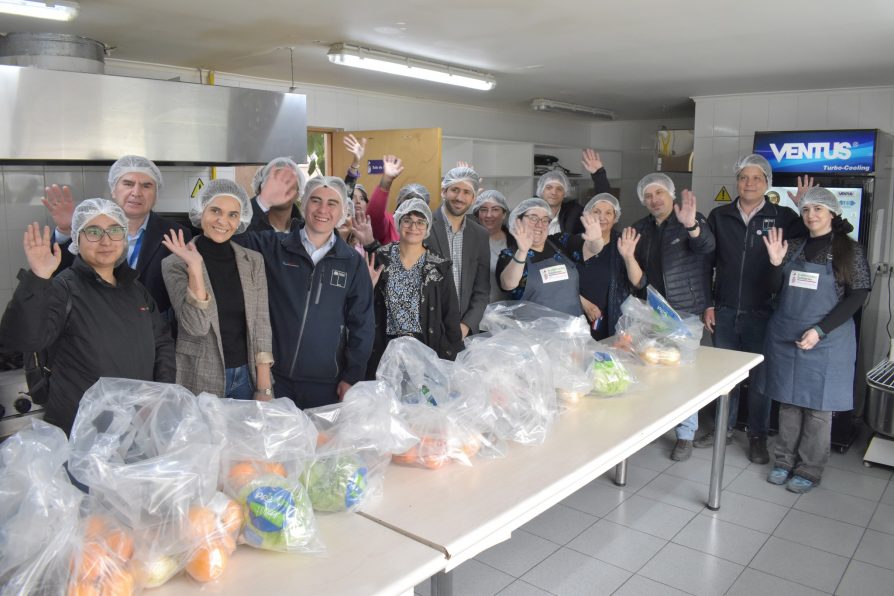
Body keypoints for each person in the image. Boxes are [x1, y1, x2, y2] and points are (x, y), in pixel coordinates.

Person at [0, 199, 175, 436]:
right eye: (93, 232)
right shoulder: (62, 289)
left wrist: (159, 395)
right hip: (83, 430)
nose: (105, 241)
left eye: (114, 231)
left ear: (124, 238)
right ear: (76, 238)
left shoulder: (136, 290)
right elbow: (22, 338)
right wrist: (38, 277)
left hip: (137, 425)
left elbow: (162, 343)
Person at [697, 154, 811, 462]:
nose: (749, 183)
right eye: (744, 178)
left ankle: (758, 435)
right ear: (737, 181)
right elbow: (707, 262)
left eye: (757, 178)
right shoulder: (720, 216)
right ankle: (725, 427)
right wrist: (708, 303)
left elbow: (810, 239)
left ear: (766, 183)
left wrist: (803, 207)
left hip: (764, 312)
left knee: (760, 379)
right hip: (725, 309)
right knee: (725, 376)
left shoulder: (783, 216)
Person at [760, 188, 870, 493]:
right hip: (786, 335)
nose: (811, 215)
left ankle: (809, 468)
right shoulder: (792, 246)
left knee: (819, 409)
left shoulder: (849, 250)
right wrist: (774, 263)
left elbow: (859, 294)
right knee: (789, 403)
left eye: (818, 209)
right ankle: (783, 460)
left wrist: (820, 330)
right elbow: (772, 290)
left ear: (832, 213)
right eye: (806, 210)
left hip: (828, 340)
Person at [234, 176, 374, 409]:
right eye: (315, 200)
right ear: (304, 203)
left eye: (332, 203)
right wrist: (262, 202)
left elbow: (363, 325)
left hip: (326, 385)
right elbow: (232, 235)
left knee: (320, 445)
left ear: (342, 212)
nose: (323, 210)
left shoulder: (352, 263)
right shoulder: (273, 247)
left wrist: (352, 377)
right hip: (272, 379)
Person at [626, 173, 715, 461]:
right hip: (652, 312)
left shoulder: (692, 219)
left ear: (671, 194)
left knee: (683, 374)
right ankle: (655, 423)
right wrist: (628, 258)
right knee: (652, 369)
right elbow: (639, 280)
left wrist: (691, 226)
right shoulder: (641, 229)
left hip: (686, 311)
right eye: (648, 196)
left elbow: (706, 247)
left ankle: (685, 434)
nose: (654, 200)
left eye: (659, 193)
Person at [161, 179, 274, 401]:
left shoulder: (253, 261)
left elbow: (261, 323)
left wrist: (264, 386)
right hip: (198, 377)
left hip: (247, 376)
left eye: (233, 214)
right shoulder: (175, 263)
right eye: (215, 210)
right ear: (200, 211)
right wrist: (194, 268)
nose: (223, 221)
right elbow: (196, 326)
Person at [43, 155, 191, 316]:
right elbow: (60, 276)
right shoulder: (88, 229)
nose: (136, 192)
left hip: (154, 331)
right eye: (128, 184)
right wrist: (66, 231)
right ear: (113, 190)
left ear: (156, 195)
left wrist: (160, 330)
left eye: (146, 185)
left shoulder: (177, 234)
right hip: (96, 328)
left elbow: (183, 293)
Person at [367, 198, 463, 375]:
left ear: (427, 228)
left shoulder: (439, 266)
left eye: (420, 222)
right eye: (407, 220)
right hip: (385, 347)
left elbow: (451, 315)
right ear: (398, 223)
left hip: (425, 348)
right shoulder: (380, 257)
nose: (413, 227)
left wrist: (453, 360)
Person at [496, 198, 600, 317]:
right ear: (518, 221)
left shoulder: (560, 242)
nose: (539, 224)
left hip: (571, 329)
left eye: (545, 220)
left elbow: (591, 250)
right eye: (533, 218)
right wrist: (522, 251)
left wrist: (596, 239)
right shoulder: (510, 254)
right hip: (532, 332)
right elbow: (508, 284)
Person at [425, 166, 491, 337]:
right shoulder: (423, 227)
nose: (460, 197)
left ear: (474, 198)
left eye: (466, 192)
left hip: (464, 332)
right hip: (428, 328)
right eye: (455, 190)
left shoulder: (480, 235)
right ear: (443, 191)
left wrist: (466, 325)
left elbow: (482, 290)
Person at [577, 193, 643, 340]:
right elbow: (563, 282)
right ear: (588, 215)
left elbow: (638, 283)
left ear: (615, 217)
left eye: (608, 213)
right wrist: (583, 302)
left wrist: (628, 257)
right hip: (577, 319)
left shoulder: (623, 243)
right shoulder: (574, 242)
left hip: (612, 322)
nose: (602, 217)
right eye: (597, 212)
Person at [536, 149, 612, 236]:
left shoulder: (574, 214)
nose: (554, 192)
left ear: (565, 193)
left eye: (559, 189)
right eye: (549, 188)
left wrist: (598, 174)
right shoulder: (530, 213)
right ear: (541, 191)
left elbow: (604, 203)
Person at [470, 190, 515, 302]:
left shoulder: (516, 243)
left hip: (505, 310)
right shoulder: (466, 240)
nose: (489, 215)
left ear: (504, 214)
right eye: (484, 210)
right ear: (477, 214)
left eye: (495, 209)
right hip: (470, 311)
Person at [247, 157, 305, 233]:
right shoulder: (244, 227)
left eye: (288, 182)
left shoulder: (306, 231)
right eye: (275, 182)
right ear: (262, 189)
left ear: (298, 193)